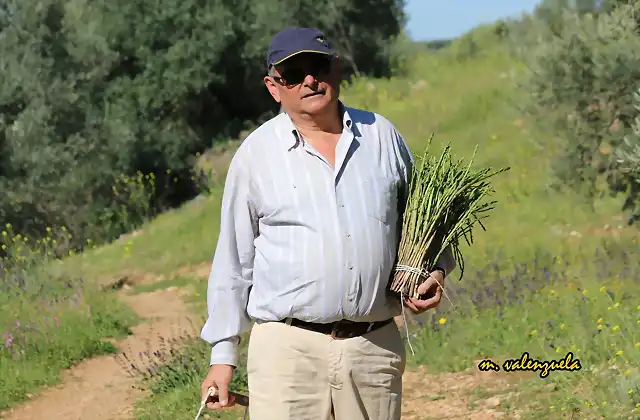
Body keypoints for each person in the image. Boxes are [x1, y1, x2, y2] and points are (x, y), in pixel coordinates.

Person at [199, 27, 456, 420]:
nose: (308, 79)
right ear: (273, 87)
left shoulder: (381, 137)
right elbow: (234, 262)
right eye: (292, 73)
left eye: (317, 66)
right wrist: (222, 358)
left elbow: (429, 225)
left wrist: (434, 271)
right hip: (287, 351)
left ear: (335, 69)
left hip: (373, 348)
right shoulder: (256, 155)